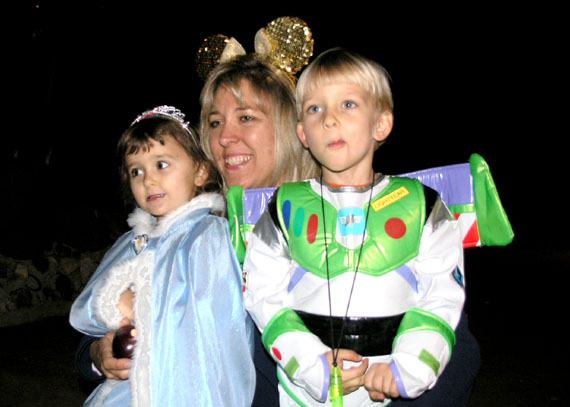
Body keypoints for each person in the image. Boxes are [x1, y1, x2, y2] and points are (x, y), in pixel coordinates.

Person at [242, 48, 472, 406]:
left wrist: (409, 369)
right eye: (315, 109)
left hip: (389, 386)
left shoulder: (423, 205)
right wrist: (309, 365)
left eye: (347, 104)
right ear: (303, 133)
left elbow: (441, 296)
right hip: (302, 392)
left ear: (381, 123)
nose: (329, 120)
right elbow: (261, 294)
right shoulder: (282, 209)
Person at [69, 106, 255, 407]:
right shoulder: (131, 242)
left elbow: (214, 326)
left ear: (199, 171)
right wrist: (109, 330)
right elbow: (91, 313)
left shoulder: (208, 236)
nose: (149, 181)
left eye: (162, 164)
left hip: (183, 391)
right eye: (136, 171)